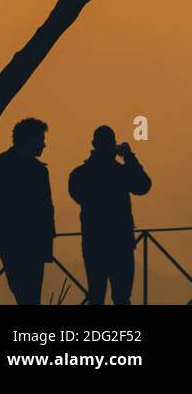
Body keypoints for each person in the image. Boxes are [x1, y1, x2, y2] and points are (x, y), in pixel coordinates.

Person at [0, 118, 55, 304]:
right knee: (29, 297)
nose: (44, 144)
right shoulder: (38, 171)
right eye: (41, 139)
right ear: (29, 140)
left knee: (26, 297)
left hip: (15, 243)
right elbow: (46, 209)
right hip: (30, 243)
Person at [68, 126, 152, 305]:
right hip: (120, 242)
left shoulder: (79, 174)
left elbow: (77, 195)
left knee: (96, 296)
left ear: (93, 144)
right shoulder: (120, 173)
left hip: (94, 242)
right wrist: (129, 157)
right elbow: (143, 185)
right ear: (113, 146)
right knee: (122, 297)